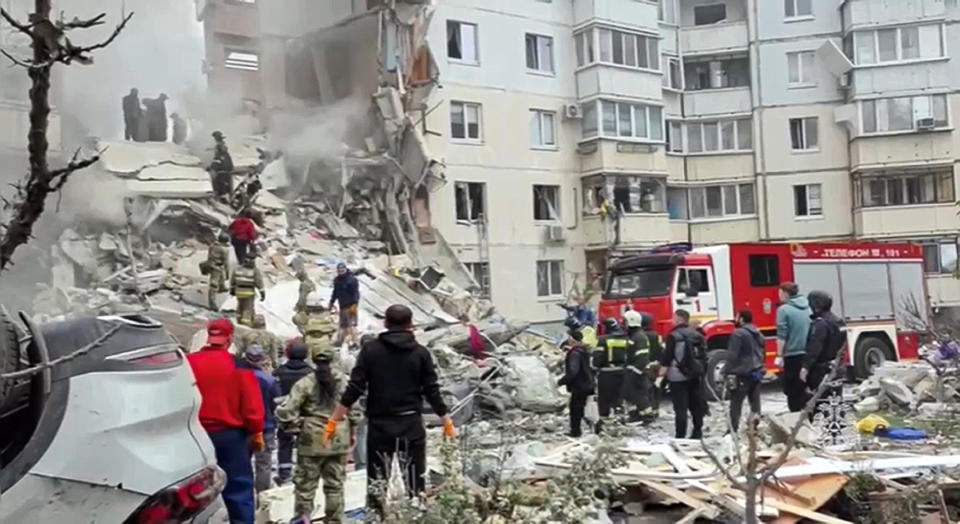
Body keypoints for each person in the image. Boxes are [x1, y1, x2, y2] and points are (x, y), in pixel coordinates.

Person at [325, 304, 454, 515]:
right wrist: (446, 420)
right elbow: (432, 390)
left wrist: (334, 419)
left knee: (377, 484)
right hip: (411, 425)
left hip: (380, 426)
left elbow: (355, 387)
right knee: (415, 484)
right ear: (410, 325)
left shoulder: (371, 350)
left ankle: (376, 518)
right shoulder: (421, 353)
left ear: (385, 323)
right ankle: (417, 518)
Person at [186, 318, 264, 523]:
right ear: (229, 338)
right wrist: (256, 433)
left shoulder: (188, 362)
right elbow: (252, 408)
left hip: (195, 436)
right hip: (231, 438)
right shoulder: (240, 366)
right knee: (238, 488)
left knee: (193, 492)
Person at [276, 341, 358, 523]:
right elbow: (355, 411)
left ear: (312, 358)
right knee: (335, 486)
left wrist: (296, 425)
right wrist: (352, 432)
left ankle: (303, 519)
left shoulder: (305, 383)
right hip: (338, 438)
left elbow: (286, 411)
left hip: (311, 441)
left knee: (305, 488)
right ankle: (335, 520)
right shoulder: (344, 382)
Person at [237, 345, 281, 494]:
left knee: (243, 463)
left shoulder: (237, 377)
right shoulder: (268, 380)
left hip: (242, 427)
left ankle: (245, 494)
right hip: (265, 427)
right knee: (263, 464)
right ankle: (263, 496)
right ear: (262, 359)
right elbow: (277, 402)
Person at [659, 309, 706, 439]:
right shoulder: (697, 335)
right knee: (695, 405)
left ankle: (680, 435)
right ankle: (697, 432)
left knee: (680, 408)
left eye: (674, 318)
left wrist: (660, 375)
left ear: (679, 319)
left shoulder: (673, 336)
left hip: (677, 376)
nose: (672, 321)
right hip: (694, 375)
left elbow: (667, 358)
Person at [274, 341, 313, 485]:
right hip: (306, 416)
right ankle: (306, 473)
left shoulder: (279, 372)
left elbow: (275, 394)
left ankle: (284, 473)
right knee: (306, 443)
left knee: (284, 442)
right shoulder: (311, 373)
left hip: (286, 415)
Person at [801, 290, 847, 415]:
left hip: (822, 370)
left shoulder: (821, 324)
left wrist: (805, 367)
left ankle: (824, 429)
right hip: (837, 367)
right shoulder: (839, 322)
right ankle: (838, 428)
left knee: (822, 402)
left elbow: (814, 348)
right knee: (836, 400)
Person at [725, 310, 765, 433]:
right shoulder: (757, 332)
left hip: (742, 372)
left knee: (736, 402)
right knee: (755, 401)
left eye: (736, 317)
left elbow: (733, 355)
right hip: (757, 371)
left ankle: (733, 428)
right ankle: (755, 427)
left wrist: (726, 370)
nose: (735, 319)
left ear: (741, 319)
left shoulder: (738, 334)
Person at [775, 282, 812, 413]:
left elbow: (782, 334)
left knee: (791, 391)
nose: (778, 296)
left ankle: (795, 417)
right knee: (803, 386)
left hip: (792, 354)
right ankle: (807, 415)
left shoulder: (783, 310)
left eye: (779, 293)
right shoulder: (808, 307)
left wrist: (779, 355)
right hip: (808, 354)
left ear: (785, 293)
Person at [593, 317, 630, 431]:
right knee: (619, 397)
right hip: (622, 373)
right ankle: (621, 419)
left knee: (604, 399)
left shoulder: (603, 340)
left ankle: (604, 423)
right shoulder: (625, 338)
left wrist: (594, 367)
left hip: (606, 373)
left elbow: (597, 359)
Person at [558, 329, 595, 437]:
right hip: (587, 384)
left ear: (572, 340)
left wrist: (561, 381)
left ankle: (575, 431)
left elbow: (573, 371)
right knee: (583, 408)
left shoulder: (574, 354)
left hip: (579, 386)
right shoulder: (584, 351)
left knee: (575, 409)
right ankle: (593, 427)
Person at [622, 312, 653, 423]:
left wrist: (635, 373)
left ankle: (647, 416)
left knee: (639, 395)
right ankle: (638, 414)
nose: (623, 324)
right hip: (633, 370)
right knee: (632, 394)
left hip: (638, 372)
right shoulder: (634, 336)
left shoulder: (639, 337)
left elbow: (642, 358)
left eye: (625, 321)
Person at [294, 292, 339, 367]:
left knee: (309, 365)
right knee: (325, 365)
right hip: (324, 340)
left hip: (310, 340)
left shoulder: (305, 315)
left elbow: (296, 319)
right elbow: (334, 327)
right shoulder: (327, 314)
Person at [329, 262, 360, 348]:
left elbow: (356, 293)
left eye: (342, 270)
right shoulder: (337, 280)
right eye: (339, 270)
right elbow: (335, 292)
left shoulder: (352, 280)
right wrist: (331, 302)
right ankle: (340, 342)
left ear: (346, 269)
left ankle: (355, 343)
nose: (341, 272)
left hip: (351, 305)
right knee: (342, 325)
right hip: (342, 306)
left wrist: (355, 304)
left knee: (352, 325)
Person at [640, 313, 665, 414]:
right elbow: (661, 349)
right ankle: (656, 408)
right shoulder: (656, 335)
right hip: (656, 365)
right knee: (656, 388)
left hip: (646, 365)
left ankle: (648, 411)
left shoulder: (640, 336)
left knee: (647, 389)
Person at [232, 256, 265, 327]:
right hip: (249, 292)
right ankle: (245, 323)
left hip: (238, 291)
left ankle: (238, 320)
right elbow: (259, 282)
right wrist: (262, 293)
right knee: (247, 308)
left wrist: (232, 290)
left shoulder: (237, 269)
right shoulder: (254, 270)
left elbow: (233, 280)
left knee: (240, 306)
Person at [204, 231, 230, 310]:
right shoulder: (224, 250)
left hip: (211, 264)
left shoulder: (212, 245)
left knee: (220, 276)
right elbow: (226, 262)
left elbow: (209, 255)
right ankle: (212, 303)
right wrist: (227, 272)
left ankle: (222, 287)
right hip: (217, 266)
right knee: (214, 285)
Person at [211, 130, 235, 199]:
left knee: (222, 191)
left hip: (222, 175)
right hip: (226, 173)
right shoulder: (226, 154)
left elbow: (216, 163)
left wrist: (213, 168)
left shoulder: (220, 153)